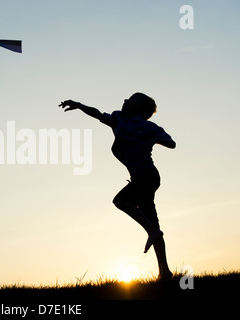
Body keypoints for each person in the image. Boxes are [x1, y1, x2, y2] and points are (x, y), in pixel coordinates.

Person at [58, 93, 175, 280]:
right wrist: (79, 105)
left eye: (130, 100)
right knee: (152, 221)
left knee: (120, 201)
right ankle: (165, 271)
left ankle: (152, 233)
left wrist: (149, 136)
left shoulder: (148, 127)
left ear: (138, 108)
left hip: (147, 176)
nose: (124, 101)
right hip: (140, 177)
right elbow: (97, 114)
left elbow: (171, 143)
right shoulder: (118, 119)